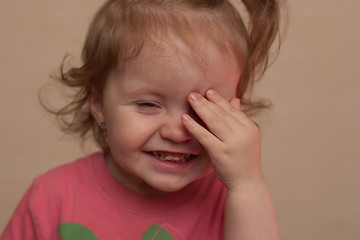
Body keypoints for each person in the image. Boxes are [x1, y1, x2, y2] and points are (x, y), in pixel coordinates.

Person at [1, 0, 283, 239]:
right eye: (148, 104)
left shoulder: (235, 201)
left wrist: (247, 183)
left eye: (203, 107)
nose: (177, 132)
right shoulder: (52, 198)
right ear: (98, 104)